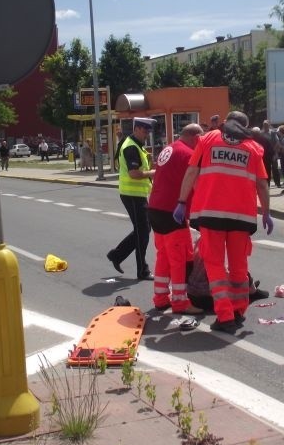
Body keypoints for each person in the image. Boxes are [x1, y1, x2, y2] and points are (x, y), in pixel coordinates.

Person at [175, 111, 272, 332]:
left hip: (211, 214)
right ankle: (238, 311)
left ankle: (225, 316)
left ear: (226, 122)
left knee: (215, 265)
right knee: (239, 266)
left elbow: (191, 172)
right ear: (246, 126)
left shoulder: (207, 140)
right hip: (242, 217)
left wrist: (181, 201)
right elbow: (263, 185)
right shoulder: (253, 148)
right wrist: (266, 211)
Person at [148, 123, 204, 314]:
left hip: (155, 208)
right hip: (172, 211)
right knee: (178, 258)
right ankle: (180, 302)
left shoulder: (168, 149)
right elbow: (197, 186)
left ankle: (160, 298)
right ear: (196, 138)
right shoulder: (188, 154)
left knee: (163, 255)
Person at [107, 118, 156, 280]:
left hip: (137, 194)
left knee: (143, 230)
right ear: (136, 129)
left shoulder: (135, 145)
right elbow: (134, 174)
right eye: (144, 130)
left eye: (148, 131)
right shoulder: (130, 147)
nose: (147, 134)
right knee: (143, 232)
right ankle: (142, 270)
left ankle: (117, 255)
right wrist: (154, 173)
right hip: (132, 194)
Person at [261, 120, 281, 188]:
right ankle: (268, 183)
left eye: (266, 125)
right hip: (265, 154)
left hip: (273, 153)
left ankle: (278, 183)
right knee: (267, 169)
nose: (265, 126)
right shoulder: (261, 133)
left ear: (269, 125)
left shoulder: (273, 133)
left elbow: (277, 143)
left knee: (275, 168)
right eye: (264, 125)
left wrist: (275, 153)